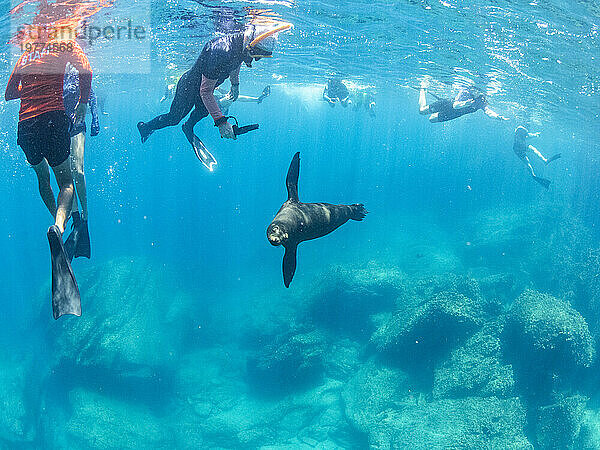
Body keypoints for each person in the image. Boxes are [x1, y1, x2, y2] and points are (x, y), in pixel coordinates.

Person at [5, 36, 92, 318]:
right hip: (53, 120)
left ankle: (57, 223)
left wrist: (30, 89)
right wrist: (80, 104)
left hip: (25, 126)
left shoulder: (25, 55)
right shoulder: (64, 43)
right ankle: (59, 225)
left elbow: (9, 93)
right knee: (66, 182)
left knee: (42, 180)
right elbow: (86, 72)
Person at [137, 22, 291, 170]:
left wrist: (235, 85)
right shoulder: (221, 52)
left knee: (204, 111)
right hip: (189, 87)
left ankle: (188, 127)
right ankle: (145, 127)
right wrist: (221, 122)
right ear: (250, 43)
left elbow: (236, 63)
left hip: (205, 87)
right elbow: (205, 92)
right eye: (256, 54)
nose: (256, 59)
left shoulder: (239, 44)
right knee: (174, 118)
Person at [62, 61, 100, 260]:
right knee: (66, 175)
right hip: (60, 126)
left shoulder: (79, 69)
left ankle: (84, 216)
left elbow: (90, 94)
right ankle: (76, 219)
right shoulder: (57, 70)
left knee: (78, 171)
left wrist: (95, 118)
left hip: (77, 125)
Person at [419, 80, 509, 123]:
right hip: (448, 104)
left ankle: (435, 111)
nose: (476, 92)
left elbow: (488, 112)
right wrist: (464, 104)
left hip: (455, 114)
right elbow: (455, 105)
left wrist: (497, 117)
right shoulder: (466, 91)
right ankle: (423, 88)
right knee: (422, 111)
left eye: (479, 91)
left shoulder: (481, 101)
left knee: (431, 120)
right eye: (475, 89)